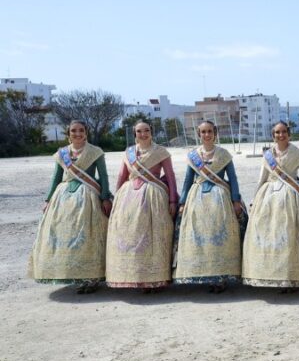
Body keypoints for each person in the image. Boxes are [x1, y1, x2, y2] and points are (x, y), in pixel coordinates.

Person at [28, 120, 113, 293]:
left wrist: (105, 198)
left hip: (88, 197)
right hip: (63, 197)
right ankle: (73, 273)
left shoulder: (95, 152)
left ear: (86, 132)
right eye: (74, 131)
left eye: (81, 130)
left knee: (87, 236)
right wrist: (48, 199)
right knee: (65, 235)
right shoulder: (62, 154)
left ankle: (92, 277)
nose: (78, 133)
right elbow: (56, 177)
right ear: (68, 133)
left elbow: (103, 176)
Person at [242, 121, 299, 289]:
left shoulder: (298, 154)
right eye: (277, 132)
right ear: (273, 135)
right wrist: (255, 200)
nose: (280, 135)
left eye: (283, 132)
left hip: (292, 197)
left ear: (289, 134)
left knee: (290, 237)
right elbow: (261, 178)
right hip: (268, 196)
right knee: (269, 236)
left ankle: (291, 278)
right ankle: (271, 276)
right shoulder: (267, 155)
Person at [106, 120, 178, 290]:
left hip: (154, 196)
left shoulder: (161, 152)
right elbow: (122, 176)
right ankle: (135, 277)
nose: (143, 134)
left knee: (154, 237)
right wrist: (116, 199)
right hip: (128, 196)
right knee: (132, 236)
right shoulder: (129, 153)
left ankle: (155, 279)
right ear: (135, 134)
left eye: (146, 130)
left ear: (151, 132)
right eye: (139, 131)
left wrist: (173, 199)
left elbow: (171, 176)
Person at [174, 120, 245, 291]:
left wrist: (236, 200)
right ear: (199, 134)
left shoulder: (224, 154)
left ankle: (221, 276)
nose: (207, 135)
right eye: (203, 132)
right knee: (198, 236)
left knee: (220, 236)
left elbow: (233, 178)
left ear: (215, 133)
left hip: (220, 198)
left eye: (210, 131)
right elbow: (187, 180)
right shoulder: (193, 156)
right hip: (196, 198)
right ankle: (202, 273)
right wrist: (182, 202)